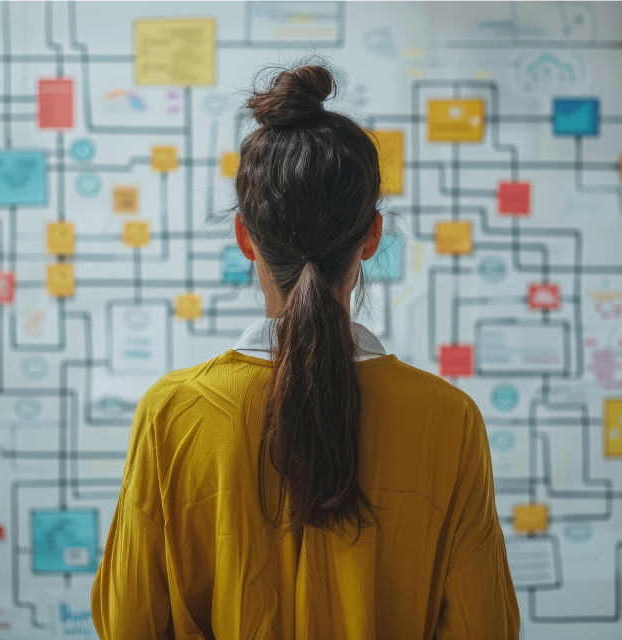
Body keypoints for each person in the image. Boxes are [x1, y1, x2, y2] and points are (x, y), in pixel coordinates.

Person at [92, 64, 519, 639]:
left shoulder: (171, 413)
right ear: (371, 236)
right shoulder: (449, 419)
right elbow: (483, 629)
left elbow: (128, 627)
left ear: (246, 236)